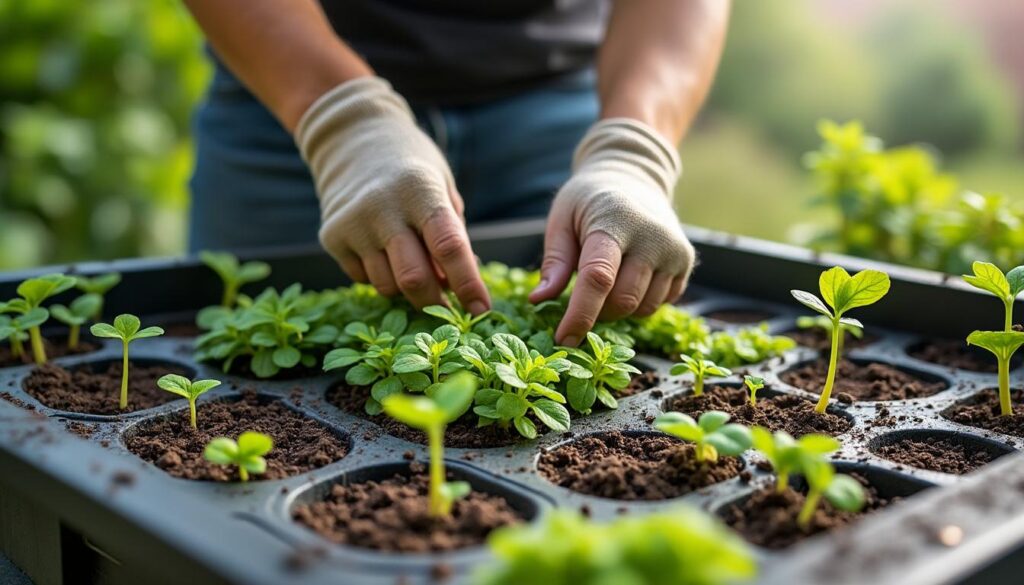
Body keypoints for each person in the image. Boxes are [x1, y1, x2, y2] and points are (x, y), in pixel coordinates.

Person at [183, 0, 730, 347]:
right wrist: (343, 124)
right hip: (284, 81)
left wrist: (633, 150)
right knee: (234, 356)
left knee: (586, 322)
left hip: (561, 101)